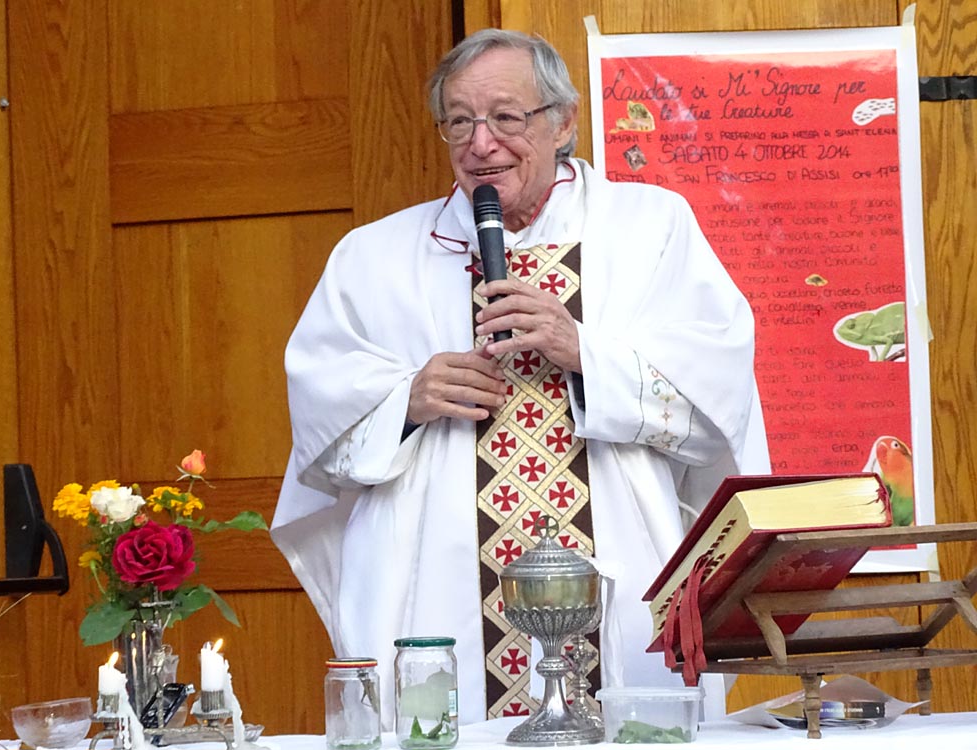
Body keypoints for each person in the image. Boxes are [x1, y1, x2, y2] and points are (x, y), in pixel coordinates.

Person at [271, 28, 769, 727]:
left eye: (506, 117)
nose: (481, 144)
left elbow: (718, 384)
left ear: (563, 122)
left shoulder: (649, 227)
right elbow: (321, 409)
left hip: (620, 568)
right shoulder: (373, 256)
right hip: (436, 585)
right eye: (459, 122)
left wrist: (584, 351)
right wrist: (406, 401)